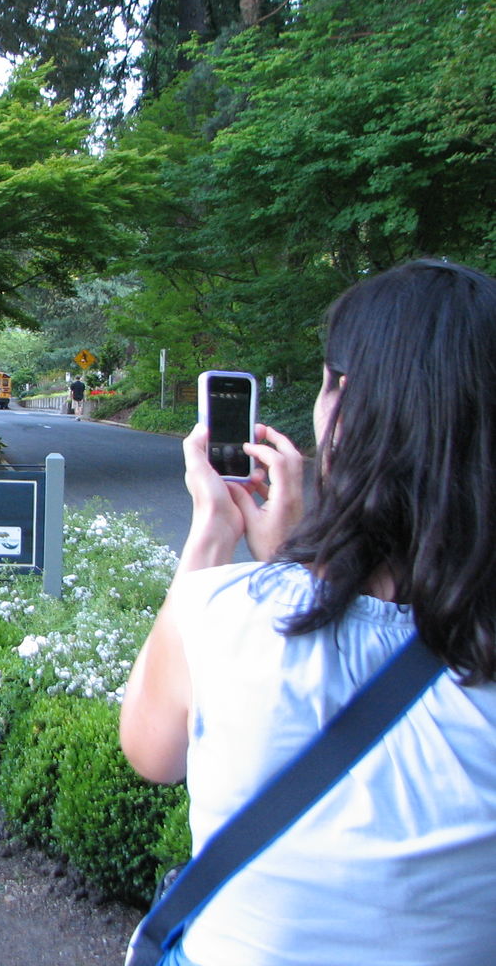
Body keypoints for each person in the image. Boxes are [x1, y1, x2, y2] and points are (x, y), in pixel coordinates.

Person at [120, 259, 496, 966]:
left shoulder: (223, 615)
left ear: (342, 409)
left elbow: (151, 751)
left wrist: (215, 531)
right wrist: (292, 560)